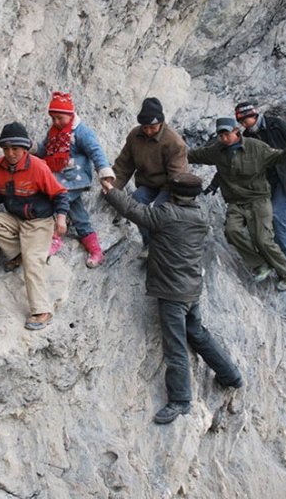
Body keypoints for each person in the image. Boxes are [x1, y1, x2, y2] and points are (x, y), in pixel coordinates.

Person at [101, 173, 243, 425]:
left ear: (174, 193)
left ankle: (180, 400)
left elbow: (135, 210)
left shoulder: (167, 214)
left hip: (171, 292)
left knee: (175, 346)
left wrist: (111, 191)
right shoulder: (201, 216)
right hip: (191, 289)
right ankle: (230, 374)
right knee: (196, 333)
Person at [0, 122, 69, 331]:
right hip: (16, 219)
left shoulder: (38, 167)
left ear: (25, 148)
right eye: (6, 149)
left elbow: (60, 193)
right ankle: (20, 253)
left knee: (33, 261)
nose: (11, 153)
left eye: (15, 149)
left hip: (39, 222)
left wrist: (61, 218)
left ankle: (42, 311)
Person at [190, 118, 286, 291]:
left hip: (258, 199)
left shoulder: (255, 147)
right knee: (232, 231)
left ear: (236, 132)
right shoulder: (217, 151)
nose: (223, 138)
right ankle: (260, 264)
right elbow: (196, 155)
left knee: (263, 239)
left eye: (226, 134)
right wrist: (174, 151)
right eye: (221, 135)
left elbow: (278, 155)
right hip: (235, 202)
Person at [35, 91, 113, 268]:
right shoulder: (53, 132)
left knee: (56, 202)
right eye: (53, 118)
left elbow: (95, 150)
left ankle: (55, 237)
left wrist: (104, 171)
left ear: (70, 114)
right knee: (78, 215)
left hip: (76, 179)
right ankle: (95, 250)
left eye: (59, 118)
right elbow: (44, 151)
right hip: (58, 178)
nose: (56, 122)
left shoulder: (82, 132)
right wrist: (32, 148)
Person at [111, 97, 189, 259]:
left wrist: (176, 199)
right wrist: (112, 188)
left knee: (159, 212)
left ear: (161, 123)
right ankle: (149, 244)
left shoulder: (174, 142)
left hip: (169, 184)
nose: (148, 131)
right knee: (137, 202)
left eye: (152, 127)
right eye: (145, 127)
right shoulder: (135, 136)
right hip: (147, 182)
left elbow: (177, 175)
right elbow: (124, 164)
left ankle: (162, 246)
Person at [234, 102, 286, 263]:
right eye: (241, 122)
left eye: (244, 120)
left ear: (253, 115)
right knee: (284, 218)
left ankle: (285, 259)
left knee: (277, 215)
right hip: (269, 181)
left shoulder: (275, 124)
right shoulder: (248, 137)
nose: (243, 124)